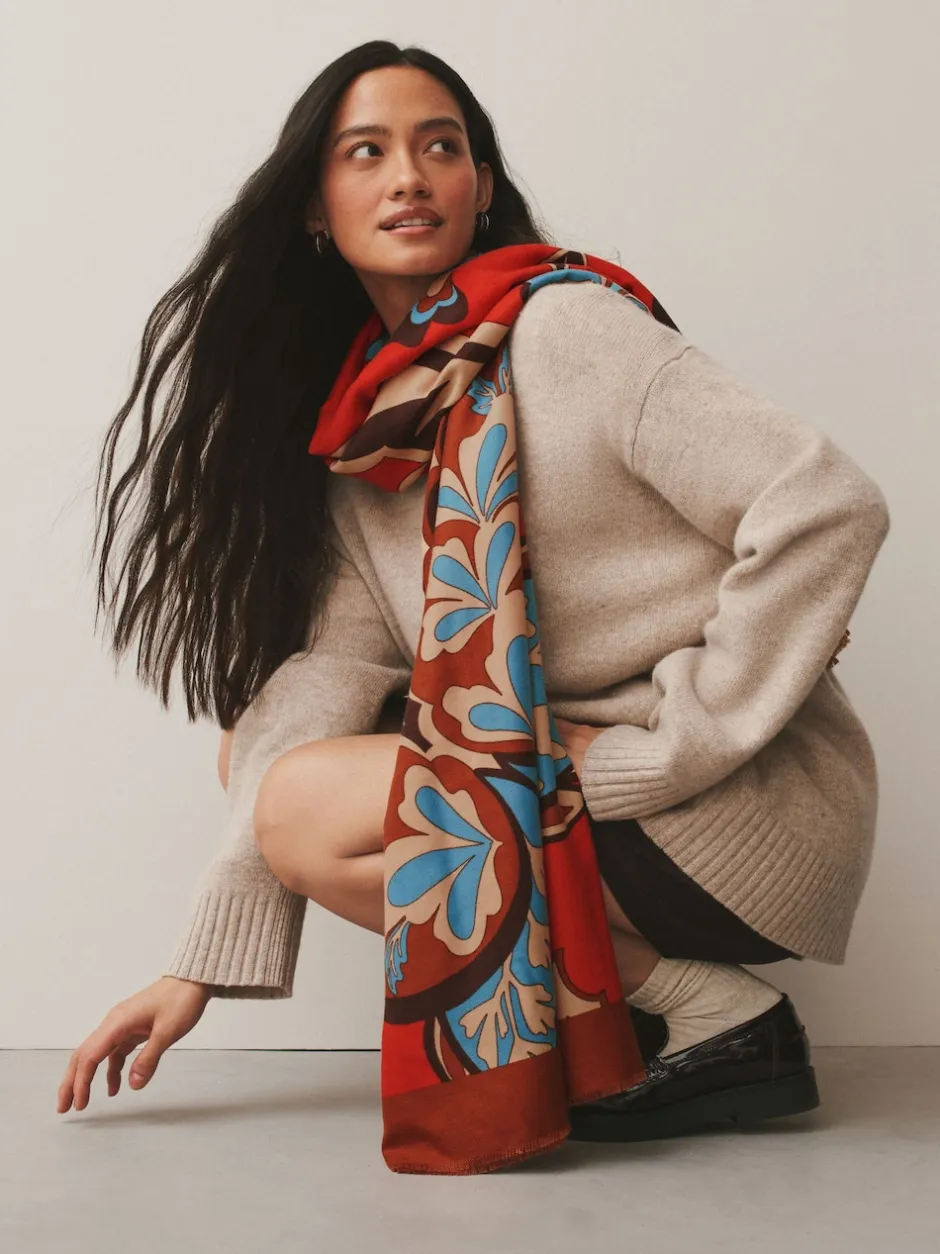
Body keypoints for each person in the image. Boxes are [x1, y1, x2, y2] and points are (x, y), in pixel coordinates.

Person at [57, 40, 890, 1145]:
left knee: (303, 795)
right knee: (265, 759)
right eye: (366, 152)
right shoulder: (371, 434)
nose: (408, 176)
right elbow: (332, 674)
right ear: (315, 206)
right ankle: (683, 1010)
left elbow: (824, 503)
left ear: (480, 186)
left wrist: (669, 747)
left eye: (439, 147)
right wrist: (194, 967)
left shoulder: (569, 330)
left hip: (739, 802)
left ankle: (701, 1007)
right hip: (588, 791)